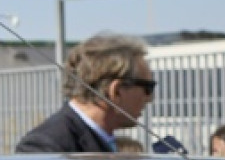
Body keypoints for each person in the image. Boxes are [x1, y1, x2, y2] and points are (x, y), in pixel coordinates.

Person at [15, 33, 155, 153]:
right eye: (148, 88)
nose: (149, 98)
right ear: (116, 91)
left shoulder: (102, 139)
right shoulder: (47, 147)